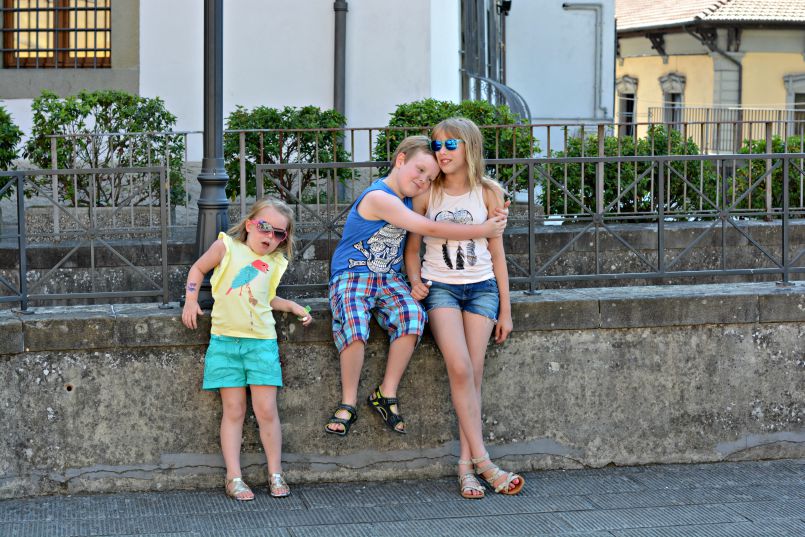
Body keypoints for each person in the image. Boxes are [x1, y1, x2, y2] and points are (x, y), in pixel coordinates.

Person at [324, 135, 508, 437]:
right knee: (355, 324)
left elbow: (456, 199)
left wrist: (498, 206)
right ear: (400, 160)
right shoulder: (379, 197)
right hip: (353, 274)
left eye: (430, 177)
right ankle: (348, 402)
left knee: (413, 317)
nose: (423, 180)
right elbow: (430, 227)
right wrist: (483, 229)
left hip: (388, 278)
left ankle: (386, 392)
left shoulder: (412, 198)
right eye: (419, 170)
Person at [404, 118, 524, 498]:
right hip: (441, 289)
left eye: (451, 145)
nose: (442, 152)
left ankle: (464, 465)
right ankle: (486, 463)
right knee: (459, 368)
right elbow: (412, 249)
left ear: (469, 147)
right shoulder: (428, 194)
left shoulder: (488, 193)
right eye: (437, 145)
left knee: (472, 375)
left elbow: (498, 255)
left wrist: (506, 309)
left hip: (482, 290)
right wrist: (414, 280)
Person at [182, 198, 313, 501]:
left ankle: (275, 472)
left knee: (267, 410)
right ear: (251, 223)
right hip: (225, 343)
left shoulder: (275, 262)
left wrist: (292, 306)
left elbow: (268, 299)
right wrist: (191, 300)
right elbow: (198, 269)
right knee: (234, 410)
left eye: (279, 233)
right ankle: (234, 477)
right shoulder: (227, 247)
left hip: (261, 344)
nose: (270, 237)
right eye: (265, 227)